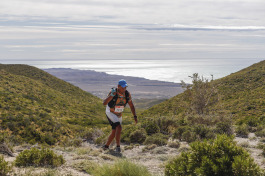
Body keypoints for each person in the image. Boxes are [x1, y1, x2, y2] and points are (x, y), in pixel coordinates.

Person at [102, 79, 137, 152]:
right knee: (119, 127)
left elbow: (131, 105)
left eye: (125, 87)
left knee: (115, 130)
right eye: (123, 87)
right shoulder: (113, 92)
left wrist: (135, 116)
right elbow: (104, 103)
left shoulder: (127, 94)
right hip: (110, 112)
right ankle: (118, 147)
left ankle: (106, 146)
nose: (124, 89)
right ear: (118, 86)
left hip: (118, 114)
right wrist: (111, 96)